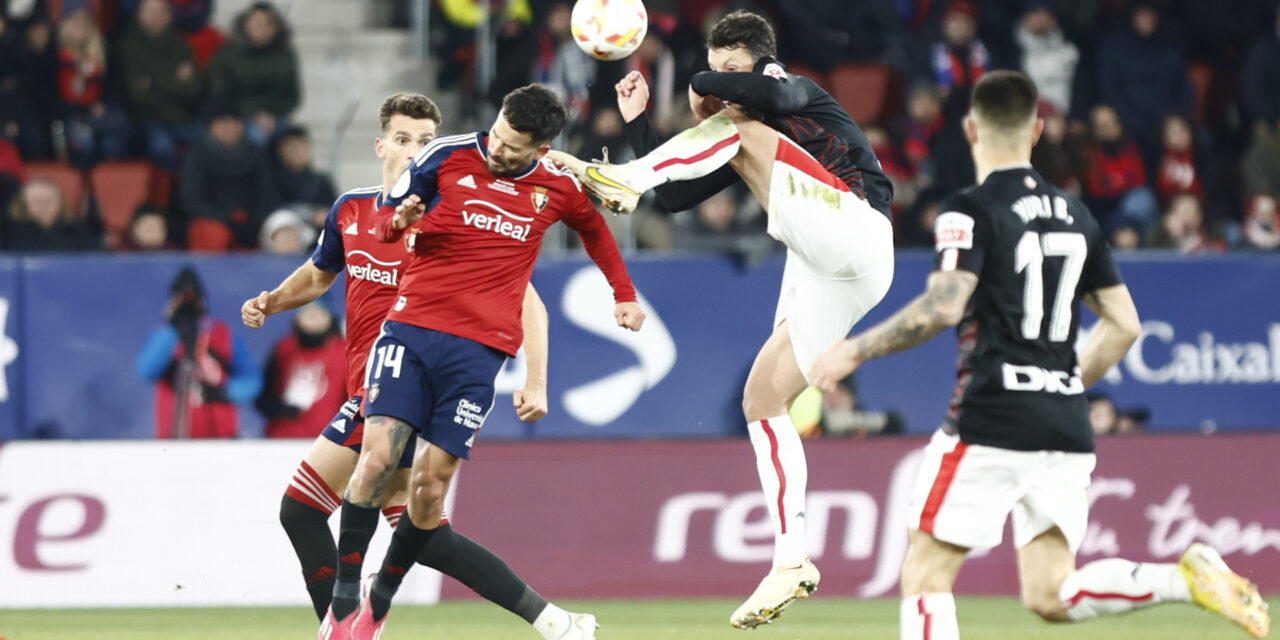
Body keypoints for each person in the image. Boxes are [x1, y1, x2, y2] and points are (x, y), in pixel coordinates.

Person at [806, 70, 1269, 640]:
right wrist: (1067, 383)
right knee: (1051, 592)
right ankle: (1182, 581)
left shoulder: (968, 211)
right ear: (1038, 130)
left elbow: (942, 308)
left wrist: (854, 349)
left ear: (972, 129)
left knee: (926, 576)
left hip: (991, 415)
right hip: (1064, 425)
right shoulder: (1077, 214)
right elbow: (1124, 325)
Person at [546, 10, 894, 629]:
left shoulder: (793, 91)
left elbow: (765, 94)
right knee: (763, 400)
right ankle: (791, 560)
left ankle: (621, 180)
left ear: (761, 63)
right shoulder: (743, 129)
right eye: (716, 67)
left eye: (734, 69)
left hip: (856, 226)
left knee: (740, 128)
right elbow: (678, 197)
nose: (720, 83)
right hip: (831, 266)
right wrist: (640, 125)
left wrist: (704, 82)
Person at [240, 92, 604, 640]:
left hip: (404, 388)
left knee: (301, 508)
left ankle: (341, 628)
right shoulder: (353, 209)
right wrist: (272, 300)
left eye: (427, 141)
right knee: (425, 533)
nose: (415, 151)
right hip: (370, 386)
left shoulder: (452, 208)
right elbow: (318, 276)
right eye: (404, 139)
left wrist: (536, 378)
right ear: (381, 144)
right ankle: (555, 621)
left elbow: (527, 301)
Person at [324, 84, 644, 639]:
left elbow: (597, 234)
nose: (497, 150)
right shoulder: (445, 155)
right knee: (376, 459)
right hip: (411, 332)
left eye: (513, 147)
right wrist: (400, 221)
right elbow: (386, 226)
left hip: (478, 355)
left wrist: (624, 293)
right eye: (497, 134)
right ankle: (344, 601)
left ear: (541, 149)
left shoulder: (557, 188)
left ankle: (380, 597)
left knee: (428, 493)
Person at [138, 266, 261, 438]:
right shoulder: (165, 336)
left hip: (219, 436)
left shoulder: (222, 334)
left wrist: (226, 392)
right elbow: (146, 370)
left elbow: (252, 379)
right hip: (175, 436)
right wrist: (173, 327)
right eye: (181, 299)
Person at [254, 299, 346, 438]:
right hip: (282, 438)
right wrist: (277, 408)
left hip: (328, 440)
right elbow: (262, 395)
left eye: (320, 313)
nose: (314, 317)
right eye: (308, 313)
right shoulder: (284, 348)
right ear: (297, 318)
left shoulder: (346, 351)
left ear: (331, 317)